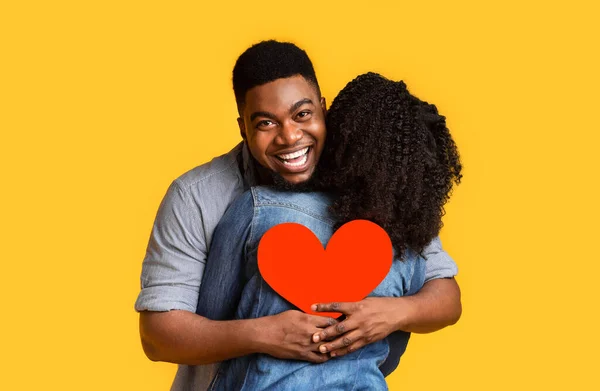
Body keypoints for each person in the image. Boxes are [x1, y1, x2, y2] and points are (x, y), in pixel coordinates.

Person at [135, 41, 462, 391]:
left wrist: (390, 313)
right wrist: (264, 333)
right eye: (266, 123)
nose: (289, 137)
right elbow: (158, 337)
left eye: (302, 114)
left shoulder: (369, 182)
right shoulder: (198, 196)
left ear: (323, 109)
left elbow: (446, 295)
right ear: (243, 127)